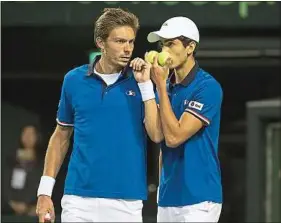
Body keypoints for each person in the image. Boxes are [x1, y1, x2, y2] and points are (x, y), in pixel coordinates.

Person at [35, 8, 162, 223]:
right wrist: (44, 192)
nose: (128, 49)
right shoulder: (73, 80)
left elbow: (156, 134)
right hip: (78, 199)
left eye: (131, 42)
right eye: (120, 41)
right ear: (100, 42)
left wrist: (146, 85)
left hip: (127, 201)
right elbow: (61, 136)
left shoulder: (141, 82)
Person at [147, 16, 224, 222]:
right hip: (167, 198)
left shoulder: (207, 87)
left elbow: (174, 137)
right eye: (163, 45)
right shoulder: (164, 86)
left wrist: (160, 86)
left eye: (171, 44)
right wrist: (150, 85)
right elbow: (157, 135)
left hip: (200, 198)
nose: (165, 51)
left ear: (190, 47)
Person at [3, 125, 43, 217]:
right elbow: (5, 180)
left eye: (31, 134)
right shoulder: (12, 158)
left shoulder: (42, 161)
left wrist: (27, 205)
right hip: (10, 207)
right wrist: (11, 202)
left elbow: (37, 183)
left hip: (32, 208)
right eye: (25, 133)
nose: (27, 137)